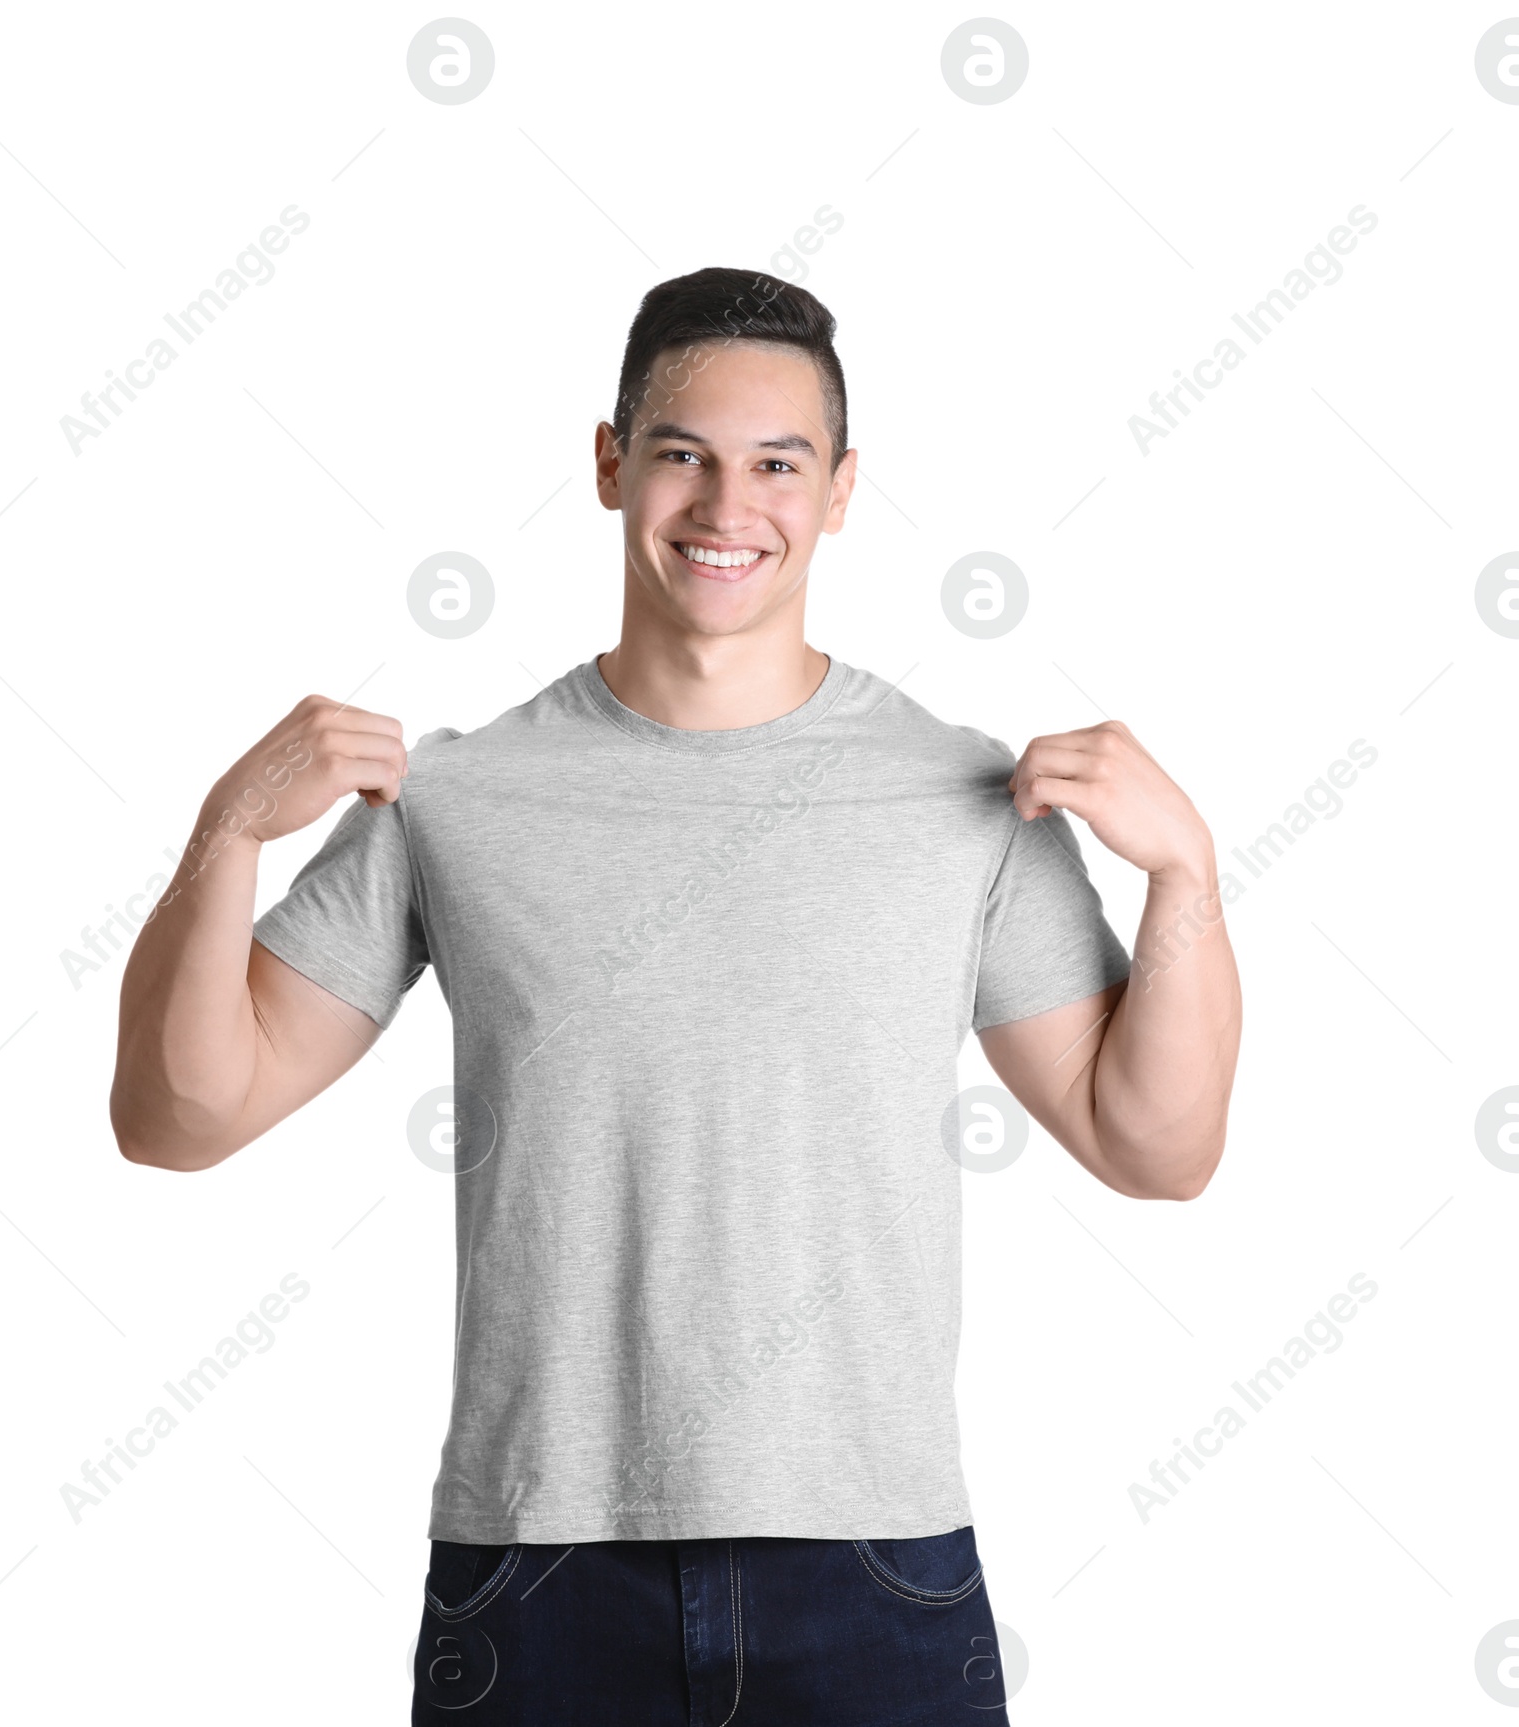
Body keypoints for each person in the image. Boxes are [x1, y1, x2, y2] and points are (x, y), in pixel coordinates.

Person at [110, 266, 1241, 1724]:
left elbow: (1157, 1147)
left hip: (876, 1565)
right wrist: (225, 836)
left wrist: (1189, 880)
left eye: (778, 463)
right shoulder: (458, 798)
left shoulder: (964, 798)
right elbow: (178, 1115)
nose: (728, 506)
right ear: (608, 466)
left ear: (839, 494)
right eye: (682, 455)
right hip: (538, 1571)